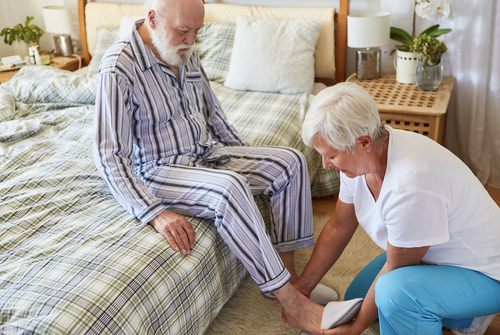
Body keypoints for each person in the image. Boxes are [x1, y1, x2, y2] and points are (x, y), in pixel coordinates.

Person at [92, 0, 338, 332]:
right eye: (183, 30)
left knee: (288, 162)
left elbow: (215, 118)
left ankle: (290, 276)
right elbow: (109, 155)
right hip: (158, 170)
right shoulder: (118, 67)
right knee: (229, 186)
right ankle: (290, 301)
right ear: (152, 19)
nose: (191, 40)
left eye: (197, 31)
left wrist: (252, 160)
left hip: (205, 153)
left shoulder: (185, 50)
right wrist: (154, 213)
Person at [297, 82, 500, 335]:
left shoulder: (410, 184)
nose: (326, 164)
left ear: (364, 142)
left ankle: (468, 310)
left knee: (394, 295)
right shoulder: (358, 161)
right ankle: (460, 316)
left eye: (331, 156)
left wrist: (355, 329)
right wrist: (303, 288)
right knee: (355, 297)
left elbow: (396, 268)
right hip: (434, 257)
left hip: (485, 272)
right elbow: (339, 225)